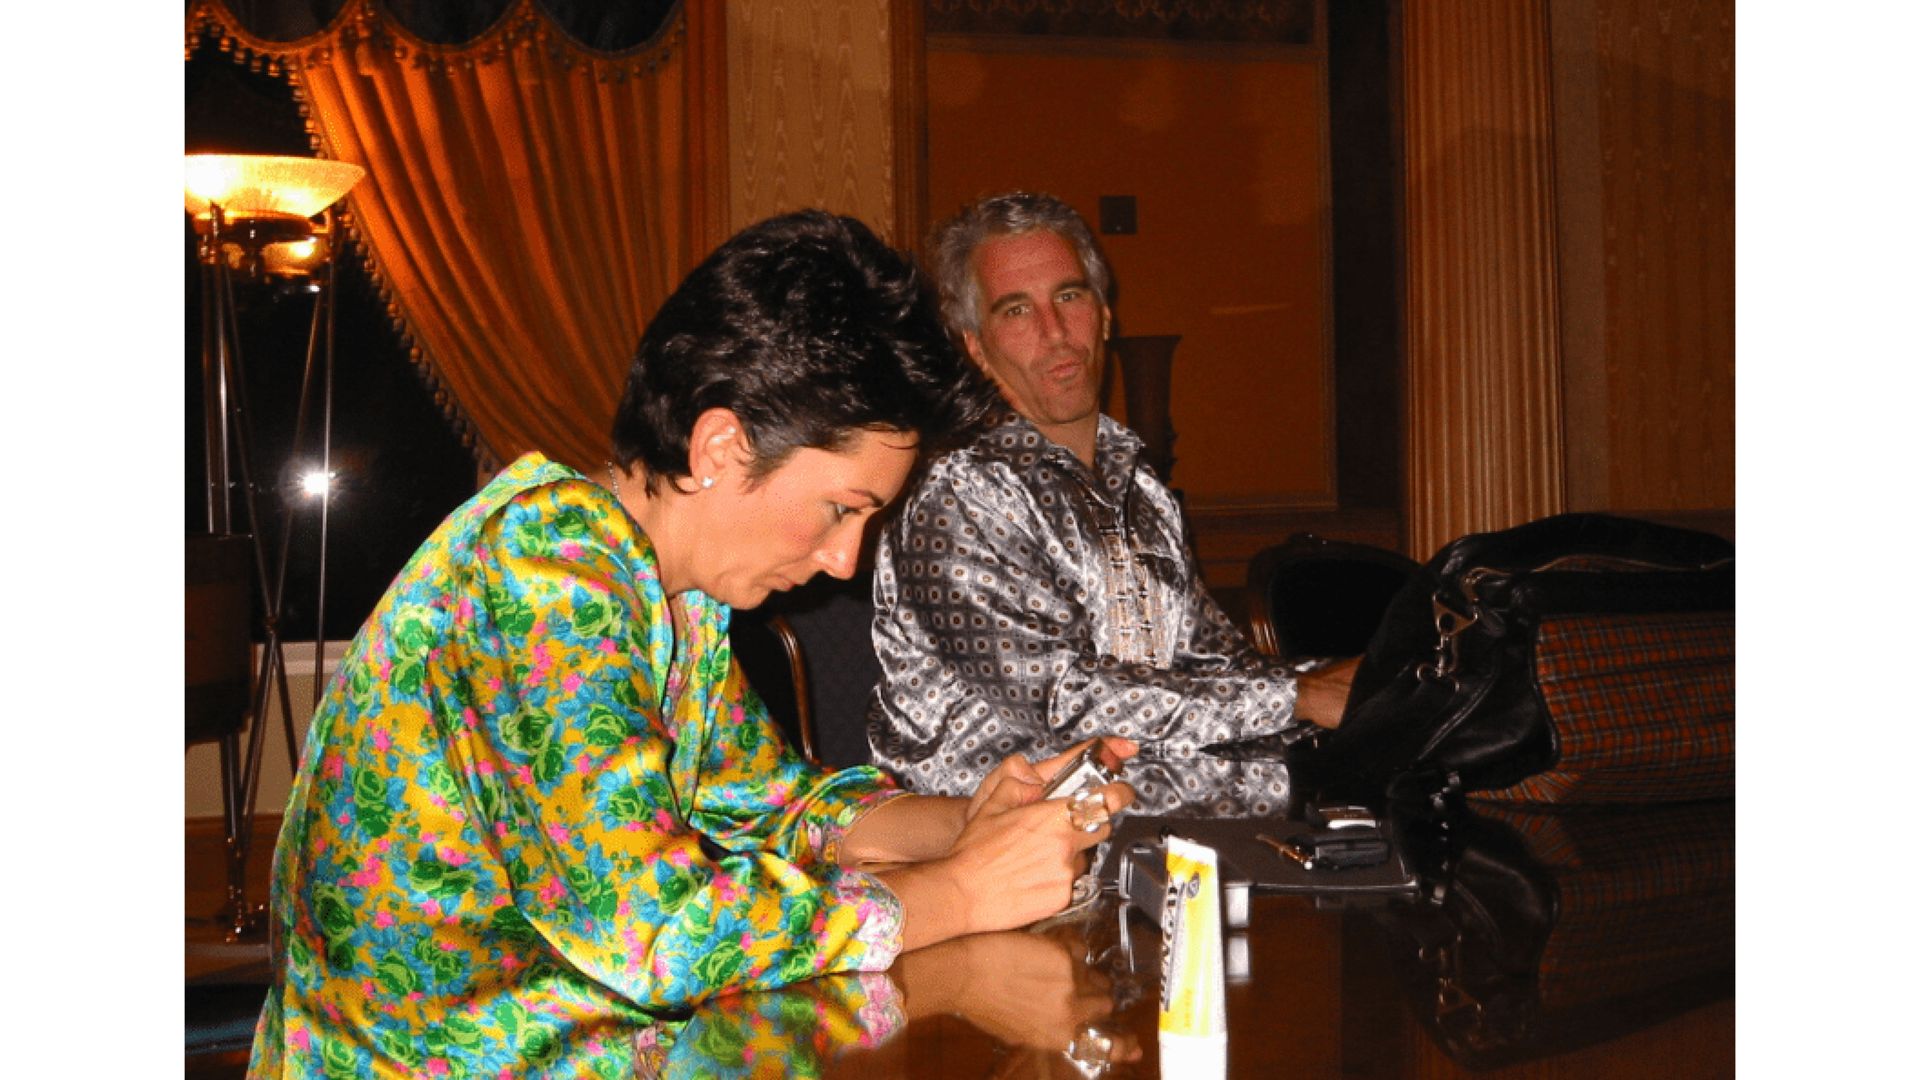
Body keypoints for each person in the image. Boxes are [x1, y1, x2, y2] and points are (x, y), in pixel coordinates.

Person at [248, 210, 1137, 1078]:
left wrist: (965, 822)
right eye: (841, 509)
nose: (843, 559)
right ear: (719, 445)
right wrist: (964, 891)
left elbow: (776, 806)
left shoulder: (672, 597)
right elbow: (659, 934)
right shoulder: (545, 565)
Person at [865, 191, 1355, 806]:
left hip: (1150, 812)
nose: (1055, 332)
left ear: (1103, 315)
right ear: (975, 347)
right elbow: (1063, 702)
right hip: (994, 841)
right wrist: (1301, 700)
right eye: (1017, 311)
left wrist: (1367, 684)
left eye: (1069, 297)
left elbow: (1213, 668)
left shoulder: (1139, 486)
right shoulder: (959, 493)